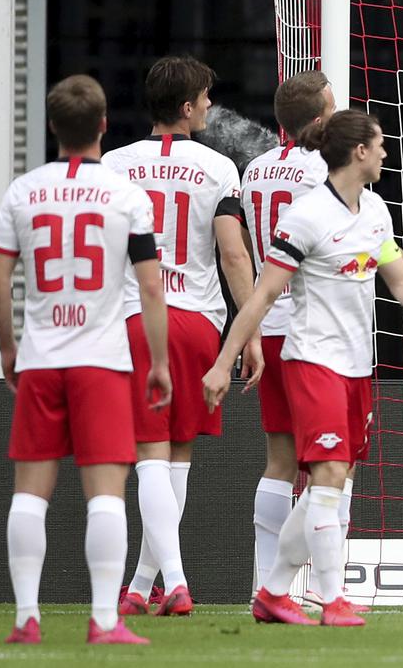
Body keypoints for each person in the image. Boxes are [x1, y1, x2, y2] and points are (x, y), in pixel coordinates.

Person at [205, 109, 403, 627]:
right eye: (380, 144)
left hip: (355, 367)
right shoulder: (305, 216)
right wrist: (222, 361)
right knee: (326, 476)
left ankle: (273, 591)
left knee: (334, 481)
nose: (387, 153)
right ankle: (331, 596)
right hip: (311, 360)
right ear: (359, 152)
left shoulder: (376, 211)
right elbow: (263, 295)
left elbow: (397, 278)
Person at [0, 75, 172, 645]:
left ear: (51, 127)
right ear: (101, 126)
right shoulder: (126, 195)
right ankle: (104, 621)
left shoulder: (22, 191)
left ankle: (25, 619)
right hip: (104, 361)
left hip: (42, 358)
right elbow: (149, 290)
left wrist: (8, 347)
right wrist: (159, 363)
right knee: (106, 497)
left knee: (28, 494)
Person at [102, 55, 261, 617]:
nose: (212, 108)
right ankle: (146, 587)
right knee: (177, 462)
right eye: (207, 99)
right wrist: (251, 334)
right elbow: (234, 254)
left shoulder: (113, 165)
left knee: (149, 459)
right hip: (198, 320)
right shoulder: (219, 167)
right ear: (188, 107)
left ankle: (172, 581)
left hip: (136, 318)